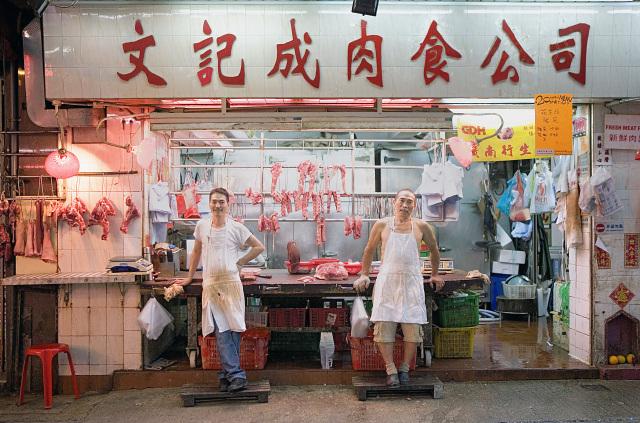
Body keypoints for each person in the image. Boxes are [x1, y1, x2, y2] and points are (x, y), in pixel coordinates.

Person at [175, 187, 265, 393]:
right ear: (209, 204)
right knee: (222, 330)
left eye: (221, 202)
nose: (217, 205)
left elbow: (258, 246)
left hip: (231, 285)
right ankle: (236, 375)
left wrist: (240, 262)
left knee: (233, 330)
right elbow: (196, 250)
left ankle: (227, 375)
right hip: (212, 285)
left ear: (228, 204)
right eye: (214, 201)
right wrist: (189, 276)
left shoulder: (236, 228)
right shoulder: (202, 226)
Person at [354, 188, 444, 387]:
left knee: (413, 329)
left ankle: (404, 368)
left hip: (412, 282)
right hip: (388, 282)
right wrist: (364, 274)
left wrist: (435, 274)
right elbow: (369, 250)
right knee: (383, 327)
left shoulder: (422, 226)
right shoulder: (382, 225)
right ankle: (390, 369)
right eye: (402, 201)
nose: (405, 205)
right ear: (394, 203)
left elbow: (434, 250)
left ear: (414, 205)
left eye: (409, 202)